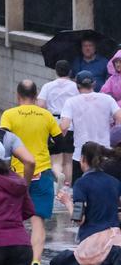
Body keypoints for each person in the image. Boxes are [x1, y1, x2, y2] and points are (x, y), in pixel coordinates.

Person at [0, 80, 62, 265]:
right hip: (41, 170)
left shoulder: (9, 115)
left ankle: (13, 263)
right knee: (38, 222)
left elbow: (3, 141)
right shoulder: (46, 115)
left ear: (18, 95)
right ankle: (35, 264)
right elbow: (61, 141)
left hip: (16, 173)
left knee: (14, 220)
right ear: (36, 96)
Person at [68, 142, 121, 265]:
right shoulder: (115, 183)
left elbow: (78, 219)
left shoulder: (82, 183)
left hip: (90, 247)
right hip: (114, 244)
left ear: (83, 160)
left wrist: (67, 201)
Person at [60, 70, 121, 183]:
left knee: (80, 190)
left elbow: (64, 126)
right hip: (104, 153)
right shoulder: (107, 99)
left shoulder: (71, 102)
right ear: (94, 84)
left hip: (81, 156)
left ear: (77, 85)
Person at [38, 60, 79, 188]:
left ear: (56, 71)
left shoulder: (48, 86)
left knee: (55, 158)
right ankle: (67, 186)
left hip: (54, 124)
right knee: (68, 160)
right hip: (70, 124)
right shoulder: (75, 86)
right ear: (70, 71)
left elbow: (41, 105)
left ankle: (57, 176)